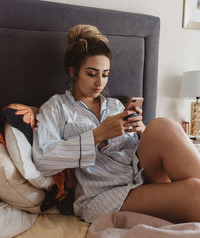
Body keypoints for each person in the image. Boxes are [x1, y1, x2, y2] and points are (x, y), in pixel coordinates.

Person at [33, 24, 200, 224]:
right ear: (73, 72)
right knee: (194, 192)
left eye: (105, 74)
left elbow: (138, 151)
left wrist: (141, 132)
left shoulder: (114, 105)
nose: (99, 83)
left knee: (163, 126)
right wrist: (98, 134)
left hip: (138, 175)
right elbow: (43, 160)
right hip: (103, 194)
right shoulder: (56, 107)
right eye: (91, 74)